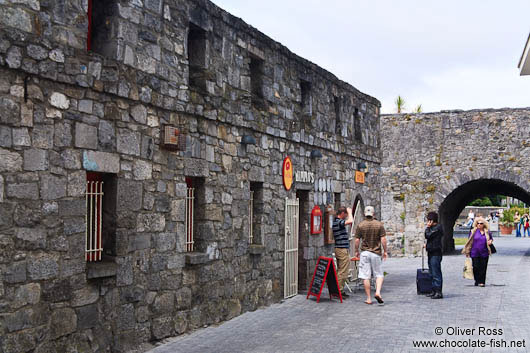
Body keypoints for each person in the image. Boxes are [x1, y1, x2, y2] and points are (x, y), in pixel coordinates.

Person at [354, 206, 387, 305]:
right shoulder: (379, 225)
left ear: (365, 214)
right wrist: (385, 251)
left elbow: (356, 240)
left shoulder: (360, 225)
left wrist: (356, 251)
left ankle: (368, 298)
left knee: (365, 276)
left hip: (364, 253)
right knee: (379, 274)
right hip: (376, 253)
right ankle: (377, 292)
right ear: (373, 214)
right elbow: (383, 239)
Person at [462, 217, 494, 287]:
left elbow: (491, 238)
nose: (479, 225)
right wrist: (467, 252)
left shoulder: (487, 232)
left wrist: (490, 241)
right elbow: (469, 241)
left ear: (484, 224)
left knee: (483, 267)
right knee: (475, 267)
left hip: (484, 252)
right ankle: (477, 280)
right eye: (478, 223)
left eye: (481, 223)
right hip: (474, 252)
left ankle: (482, 281)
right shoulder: (473, 231)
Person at [332, 206, 353, 297]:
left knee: (341, 270)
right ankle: (339, 290)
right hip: (341, 249)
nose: (346, 216)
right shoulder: (338, 222)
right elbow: (350, 221)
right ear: (342, 214)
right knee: (343, 271)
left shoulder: (337, 222)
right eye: (346, 214)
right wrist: (350, 212)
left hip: (340, 248)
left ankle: (339, 289)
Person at [424, 211, 444, 299]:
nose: (427, 222)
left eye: (428, 220)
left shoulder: (438, 228)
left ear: (432, 220)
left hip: (436, 252)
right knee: (431, 272)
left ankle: (438, 291)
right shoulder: (433, 228)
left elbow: (428, 235)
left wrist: (428, 227)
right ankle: (433, 290)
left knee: (436, 273)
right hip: (431, 251)